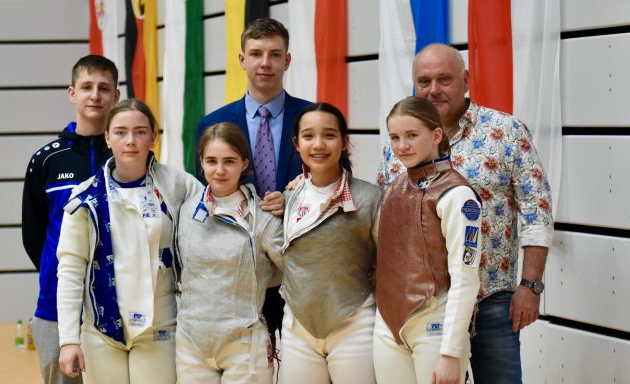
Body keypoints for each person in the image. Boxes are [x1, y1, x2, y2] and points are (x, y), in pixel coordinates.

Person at [377, 44, 554, 383]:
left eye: (444, 79)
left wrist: (530, 285)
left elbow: (537, 212)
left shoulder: (506, 132)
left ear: (466, 80)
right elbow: (384, 214)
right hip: (422, 309)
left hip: (491, 301)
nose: (433, 90)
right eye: (424, 81)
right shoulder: (396, 143)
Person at [55, 98, 202, 383]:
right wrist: (68, 339)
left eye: (140, 131)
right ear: (107, 138)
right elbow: (71, 271)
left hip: (160, 329)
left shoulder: (178, 185)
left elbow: (217, 209)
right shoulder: (85, 198)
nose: (130, 140)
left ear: (153, 137)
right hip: (101, 333)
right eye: (120, 132)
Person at [195, 17, 312, 347]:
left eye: (275, 54)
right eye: (256, 53)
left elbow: (329, 185)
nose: (265, 63)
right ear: (242, 60)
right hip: (233, 275)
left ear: (287, 61)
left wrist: (294, 201)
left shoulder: (312, 119)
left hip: (296, 266)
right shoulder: (212, 123)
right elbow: (205, 197)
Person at [22, 54, 120, 384]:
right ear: (72, 93)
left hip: (118, 304)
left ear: (116, 96)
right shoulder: (45, 160)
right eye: (87, 87)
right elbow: (34, 235)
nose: (95, 95)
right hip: (55, 304)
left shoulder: (129, 156)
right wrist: (59, 271)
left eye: (104, 88)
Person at [374, 96, 481, 384]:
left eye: (411, 135)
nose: (402, 146)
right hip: (387, 325)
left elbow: (466, 277)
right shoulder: (394, 188)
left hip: (435, 326)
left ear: (436, 135)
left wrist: (450, 353)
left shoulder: (457, 194)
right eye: (395, 137)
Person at [279, 103, 381, 384]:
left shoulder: (371, 198)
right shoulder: (286, 198)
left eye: (329, 135)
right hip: (297, 327)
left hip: (355, 322)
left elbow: (388, 266)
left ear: (345, 142)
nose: (319, 144)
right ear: (296, 143)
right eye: (309, 136)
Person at [175, 122, 283, 383]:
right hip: (191, 342)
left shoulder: (264, 216)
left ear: (244, 163)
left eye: (229, 161)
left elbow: (286, 272)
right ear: (201, 162)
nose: (220, 170)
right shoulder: (185, 210)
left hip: (244, 343)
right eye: (211, 161)